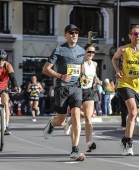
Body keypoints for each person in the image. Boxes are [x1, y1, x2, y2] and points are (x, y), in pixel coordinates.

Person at [42, 24, 85, 161]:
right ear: (65, 35)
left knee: (76, 116)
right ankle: (52, 123)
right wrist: (60, 76)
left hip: (76, 88)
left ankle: (75, 149)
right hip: (62, 87)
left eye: (76, 32)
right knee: (61, 120)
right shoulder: (59, 50)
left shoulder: (81, 51)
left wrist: (83, 76)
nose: (74, 35)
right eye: (71, 33)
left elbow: (81, 68)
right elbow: (46, 69)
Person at [112, 24, 139, 156]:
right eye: (135, 34)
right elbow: (114, 59)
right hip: (125, 84)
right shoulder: (123, 49)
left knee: (133, 115)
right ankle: (128, 143)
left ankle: (125, 139)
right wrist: (117, 70)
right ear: (130, 36)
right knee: (132, 112)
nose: (138, 36)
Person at [64, 44, 102, 152]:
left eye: (93, 52)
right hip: (79, 90)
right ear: (84, 52)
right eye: (89, 52)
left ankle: (88, 143)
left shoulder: (94, 64)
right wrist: (83, 78)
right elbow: (80, 75)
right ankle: (69, 122)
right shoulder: (80, 62)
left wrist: (98, 80)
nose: (91, 54)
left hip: (90, 90)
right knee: (78, 114)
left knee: (88, 117)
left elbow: (94, 76)